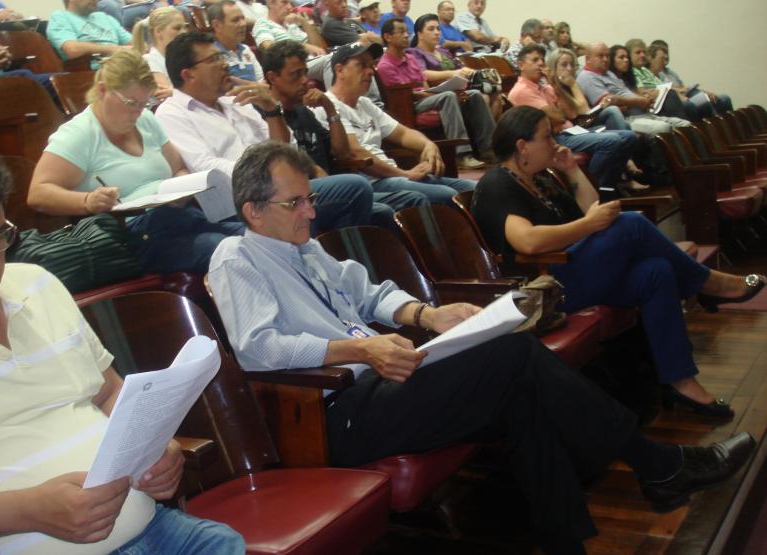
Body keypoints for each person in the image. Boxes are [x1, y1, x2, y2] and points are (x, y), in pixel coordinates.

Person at [208, 138, 756, 555]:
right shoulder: (236, 258)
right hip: (335, 411)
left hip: (383, 381)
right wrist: (362, 351)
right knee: (512, 357)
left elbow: (372, 293)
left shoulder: (305, 249)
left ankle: (569, 540)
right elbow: (260, 349)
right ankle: (658, 465)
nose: (311, 211)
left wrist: (428, 312)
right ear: (253, 211)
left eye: (309, 198)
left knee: (518, 391)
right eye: (295, 202)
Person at [0, 127, 247, 554]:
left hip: (153, 531)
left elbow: (108, 391)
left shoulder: (38, 286)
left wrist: (153, 449)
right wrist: (27, 511)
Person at [472, 105, 767, 418]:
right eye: (548, 136)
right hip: (547, 289)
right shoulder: (496, 185)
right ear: (522, 146)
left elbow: (594, 210)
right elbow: (527, 240)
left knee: (658, 271)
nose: (556, 142)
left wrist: (571, 170)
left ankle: (681, 380)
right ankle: (710, 283)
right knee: (632, 224)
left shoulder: (540, 179)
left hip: (573, 271)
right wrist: (588, 225)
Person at [28, 50, 245, 274]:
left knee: (255, 236)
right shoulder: (80, 134)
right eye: (131, 103)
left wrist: (181, 188)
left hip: (178, 217)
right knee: (225, 249)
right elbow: (38, 193)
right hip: (132, 234)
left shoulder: (145, 120)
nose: (137, 112)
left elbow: (178, 168)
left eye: (144, 103)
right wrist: (87, 201)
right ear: (102, 90)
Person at [156, 32, 377, 233]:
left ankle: (333, 263)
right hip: (244, 202)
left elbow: (288, 150)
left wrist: (272, 111)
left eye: (222, 57)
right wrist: (271, 174)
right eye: (214, 59)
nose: (224, 64)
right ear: (188, 74)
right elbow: (206, 167)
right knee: (355, 188)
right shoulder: (172, 113)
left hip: (284, 191)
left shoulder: (236, 101)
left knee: (381, 214)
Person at [264, 40, 428, 228]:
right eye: (295, 74)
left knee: (411, 199)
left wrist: (330, 109)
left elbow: (341, 152)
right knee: (367, 193)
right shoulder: (266, 116)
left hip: (329, 188)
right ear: (272, 77)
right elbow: (279, 159)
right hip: (300, 195)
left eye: (305, 73)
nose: (304, 81)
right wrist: (314, 170)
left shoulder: (304, 112)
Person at [319, 41, 477, 206]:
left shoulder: (365, 104)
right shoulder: (327, 106)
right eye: (362, 65)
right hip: (371, 182)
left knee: (475, 189)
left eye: (371, 65)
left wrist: (427, 145)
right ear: (339, 70)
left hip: (394, 177)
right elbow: (355, 153)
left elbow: (403, 134)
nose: (370, 72)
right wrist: (404, 174)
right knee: (448, 195)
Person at [508, 44, 644, 194]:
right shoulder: (522, 91)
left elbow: (571, 113)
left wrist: (554, 85)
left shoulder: (545, 87)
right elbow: (559, 118)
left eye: (541, 59)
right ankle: (594, 191)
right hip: (555, 138)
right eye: (535, 60)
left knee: (629, 137)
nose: (541, 63)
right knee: (612, 140)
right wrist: (559, 111)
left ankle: (608, 185)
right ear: (521, 65)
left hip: (571, 130)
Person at [377, 16, 494, 169]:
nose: (406, 35)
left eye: (406, 31)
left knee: (474, 95)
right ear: (388, 37)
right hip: (411, 104)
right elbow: (405, 96)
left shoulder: (410, 58)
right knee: (448, 96)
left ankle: (490, 148)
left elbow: (423, 82)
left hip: (426, 97)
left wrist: (433, 92)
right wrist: (432, 94)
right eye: (401, 32)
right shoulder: (385, 65)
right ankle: (462, 154)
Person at [576, 42, 690, 135]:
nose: (605, 59)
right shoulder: (587, 76)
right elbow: (607, 101)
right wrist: (638, 101)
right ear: (588, 59)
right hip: (627, 119)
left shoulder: (609, 74)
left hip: (643, 114)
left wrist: (645, 98)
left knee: (685, 125)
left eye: (607, 56)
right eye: (601, 56)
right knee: (663, 128)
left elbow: (625, 93)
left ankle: (695, 162)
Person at [410, 12, 502, 120]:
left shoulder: (443, 51)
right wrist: (452, 73)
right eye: (431, 29)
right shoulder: (414, 53)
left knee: (496, 96)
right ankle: (479, 136)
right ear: (419, 34)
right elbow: (423, 73)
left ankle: (492, 135)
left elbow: (460, 68)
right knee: (483, 97)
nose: (437, 32)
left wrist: (467, 71)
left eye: (438, 29)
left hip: (458, 89)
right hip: (438, 94)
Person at [609, 43, 690, 122]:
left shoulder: (639, 72)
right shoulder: (612, 79)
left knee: (683, 122)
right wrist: (646, 96)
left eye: (627, 57)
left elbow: (641, 92)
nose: (626, 60)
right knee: (677, 100)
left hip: (647, 108)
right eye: (621, 57)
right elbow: (637, 94)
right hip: (635, 115)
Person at [624, 38, 701, 121]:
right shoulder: (631, 71)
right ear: (629, 55)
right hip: (654, 104)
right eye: (638, 52)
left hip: (664, 98)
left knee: (702, 100)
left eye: (644, 52)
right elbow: (642, 92)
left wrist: (678, 91)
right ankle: (686, 130)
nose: (642, 55)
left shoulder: (644, 70)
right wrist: (663, 91)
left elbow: (661, 85)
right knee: (688, 105)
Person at [648, 41, 733, 115]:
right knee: (703, 102)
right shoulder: (655, 74)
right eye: (663, 55)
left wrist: (705, 92)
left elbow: (684, 87)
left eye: (667, 52)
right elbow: (668, 90)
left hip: (688, 95)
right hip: (680, 100)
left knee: (724, 99)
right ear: (651, 57)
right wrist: (682, 91)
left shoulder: (671, 73)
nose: (666, 56)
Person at [47, 0, 132, 68]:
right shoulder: (60, 17)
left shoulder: (103, 16)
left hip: (125, 66)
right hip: (94, 73)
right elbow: (73, 49)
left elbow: (135, 42)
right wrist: (113, 49)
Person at [208, 0, 264, 84]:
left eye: (243, 18)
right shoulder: (211, 57)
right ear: (217, 25)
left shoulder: (246, 49)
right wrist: (255, 87)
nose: (243, 24)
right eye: (235, 20)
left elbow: (262, 82)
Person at [131, 6, 185, 90]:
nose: (183, 32)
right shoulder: (149, 61)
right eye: (177, 28)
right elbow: (163, 94)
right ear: (158, 31)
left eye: (185, 27)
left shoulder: (183, 57)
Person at [252, 0, 326, 56]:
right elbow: (269, 47)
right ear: (271, 3)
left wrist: (303, 21)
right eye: (284, 2)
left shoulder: (291, 25)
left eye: (290, 3)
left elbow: (319, 47)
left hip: (313, 61)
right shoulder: (262, 23)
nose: (290, 7)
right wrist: (302, 47)